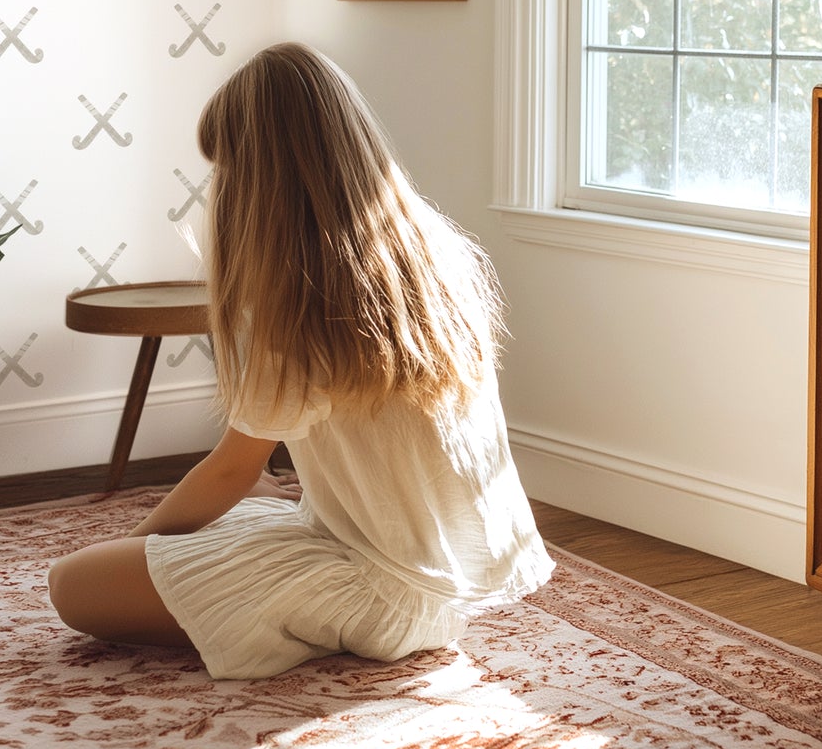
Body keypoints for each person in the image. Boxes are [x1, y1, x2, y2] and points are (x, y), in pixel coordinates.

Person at [48, 42, 554, 679]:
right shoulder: (437, 258)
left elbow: (231, 470)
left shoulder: (294, 305)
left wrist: (138, 546)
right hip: (446, 587)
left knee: (72, 584)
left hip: (380, 594)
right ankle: (272, 604)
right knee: (253, 500)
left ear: (259, 179)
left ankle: (286, 623)